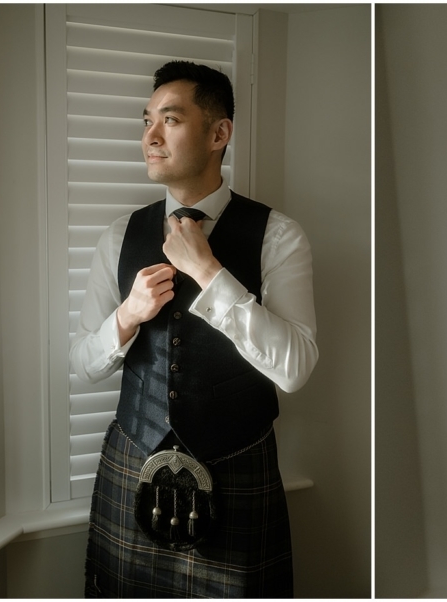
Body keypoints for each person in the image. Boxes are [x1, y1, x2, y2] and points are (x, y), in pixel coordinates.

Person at [71, 60, 318, 597]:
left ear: (219, 132)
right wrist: (129, 314)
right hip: (131, 464)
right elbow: (82, 364)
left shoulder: (279, 236)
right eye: (146, 121)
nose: (150, 137)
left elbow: (296, 368)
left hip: (237, 472)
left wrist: (210, 273)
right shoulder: (118, 236)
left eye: (171, 120)